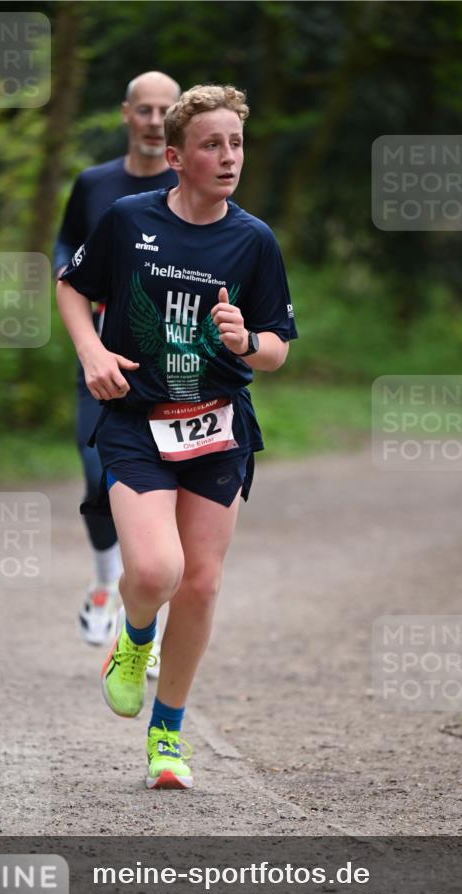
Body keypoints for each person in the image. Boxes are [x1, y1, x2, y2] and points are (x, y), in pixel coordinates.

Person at [56, 84, 297, 789]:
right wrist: (93, 354)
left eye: (236, 145)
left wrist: (248, 339)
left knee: (200, 584)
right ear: (176, 156)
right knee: (156, 571)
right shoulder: (129, 219)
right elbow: (73, 286)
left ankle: (167, 736)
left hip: (217, 425)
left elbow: (279, 343)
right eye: (212, 145)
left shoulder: (253, 239)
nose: (228, 158)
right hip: (136, 420)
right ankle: (132, 642)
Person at [54, 71, 180, 650]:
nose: (156, 121)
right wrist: (82, 306)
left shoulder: (192, 185)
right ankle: (107, 583)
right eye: (146, 110)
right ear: (127, 114)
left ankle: (144, 610)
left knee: (156, 487)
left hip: (173, 371)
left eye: (166, 111)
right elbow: (67, 250)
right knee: (96, 473)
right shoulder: (95, 183)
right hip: (102, 360)